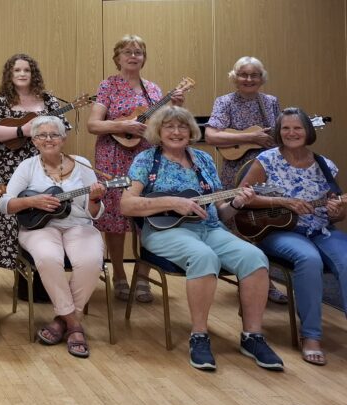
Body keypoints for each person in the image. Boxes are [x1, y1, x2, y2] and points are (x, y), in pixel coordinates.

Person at [119, 106, 282, 372]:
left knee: (255, 257)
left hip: (211, 228)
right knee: (203, 257)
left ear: (191, 131)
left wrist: (237, 203)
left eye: (182, 126)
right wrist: (173, 202)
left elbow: (220, 212)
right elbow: (126, 205)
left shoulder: (204, 160)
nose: (176, 132)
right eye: (169, 126)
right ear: (158, 131)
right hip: (165, 232)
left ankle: (252, 336)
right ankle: (199, 335)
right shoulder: (146, 160)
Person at [239, 107, 346, 366]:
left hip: (321, 230)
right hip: (279, 230)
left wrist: (337, 211)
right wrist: (283, 202)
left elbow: (337, 212)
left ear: (308, 131)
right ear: (279, 132)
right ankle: (311, 336)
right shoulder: (266, 160)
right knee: (309, 260)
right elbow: (241, 197)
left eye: (297, 127)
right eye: (285, 128)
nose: (291, 133)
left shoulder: (325, 165)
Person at [86, 34, 184, 304]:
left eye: (138, 52)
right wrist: (123, 125)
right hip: (112, 156)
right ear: (117, 57)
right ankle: (119, 274)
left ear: (144, 58)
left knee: (148, 214)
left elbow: (164, 126)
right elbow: (93, 125)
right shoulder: (108, 85)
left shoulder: (153, 90)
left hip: (145, 156)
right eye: (127, 52)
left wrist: (175, 107)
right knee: (115, 217)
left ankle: (143, 276)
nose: (133, 56)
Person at [0, 116, 105, 358]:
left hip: (79, 225)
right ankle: (74, 325)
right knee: (48, 258)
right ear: (34, 141)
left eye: (54, 134)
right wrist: (32, 201)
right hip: (39, 228)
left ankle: (62, 320)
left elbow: (95, 213)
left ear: (63, 139)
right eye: (42, 135)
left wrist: (95, 198)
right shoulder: (27, 166)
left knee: (90, 261)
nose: (49, 139)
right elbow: (5, 204)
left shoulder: (83, 164)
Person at [0, 53, 70, 304]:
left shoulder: (48, 100)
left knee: (44, 211)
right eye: (17, 70)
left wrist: (45, 132)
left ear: (33, 74)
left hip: (46, 164)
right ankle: (20, 279)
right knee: (13, 214)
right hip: (9, 166)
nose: (21, 74)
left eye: (26, 70)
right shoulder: (1, 100)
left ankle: (45, 276)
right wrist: (22, 130)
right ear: (10, 74)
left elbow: (64, 128)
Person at [204, 56, 288, 305]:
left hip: (267, 171)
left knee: (265, 221)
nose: (248, 79)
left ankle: (263, 281)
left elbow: (281, 135)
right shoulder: (225, 102)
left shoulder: (270, 102)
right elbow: (211, 136)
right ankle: (252, 278)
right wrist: (251, 138)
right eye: (243, 74)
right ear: (234, 77)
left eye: (254, 75)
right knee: (240, 222)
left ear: (262, 78)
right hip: (237, 171)